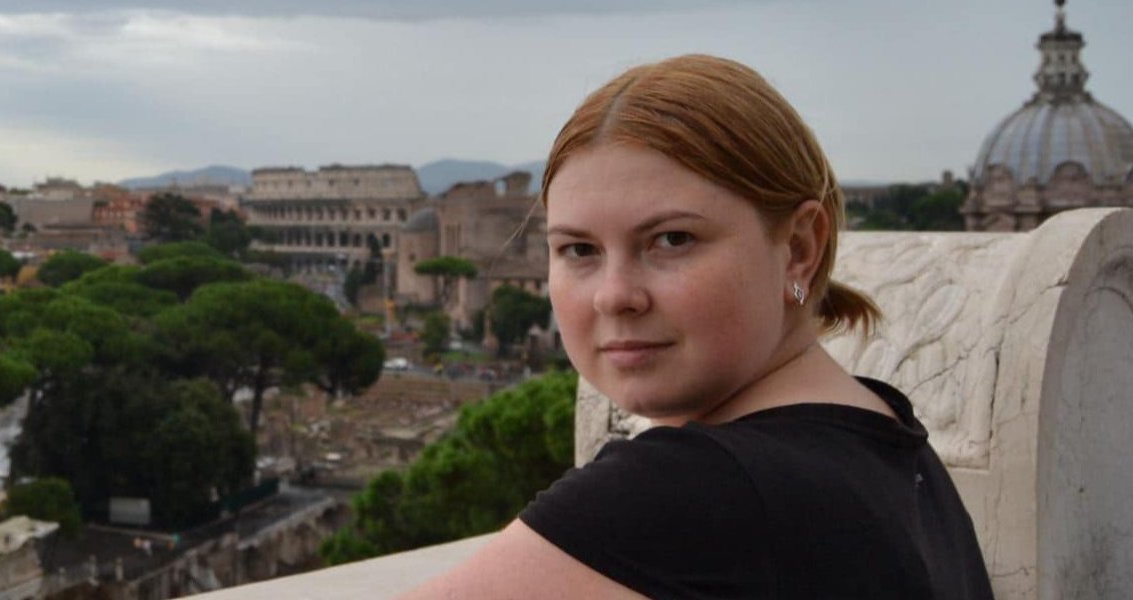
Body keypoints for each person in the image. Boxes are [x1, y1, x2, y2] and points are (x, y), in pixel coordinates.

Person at [402, 54, 993, 599]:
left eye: (672, 240)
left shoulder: (690, 486)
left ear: (798, 250)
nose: (615, 295)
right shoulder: (898, 447)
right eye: (579, 249)